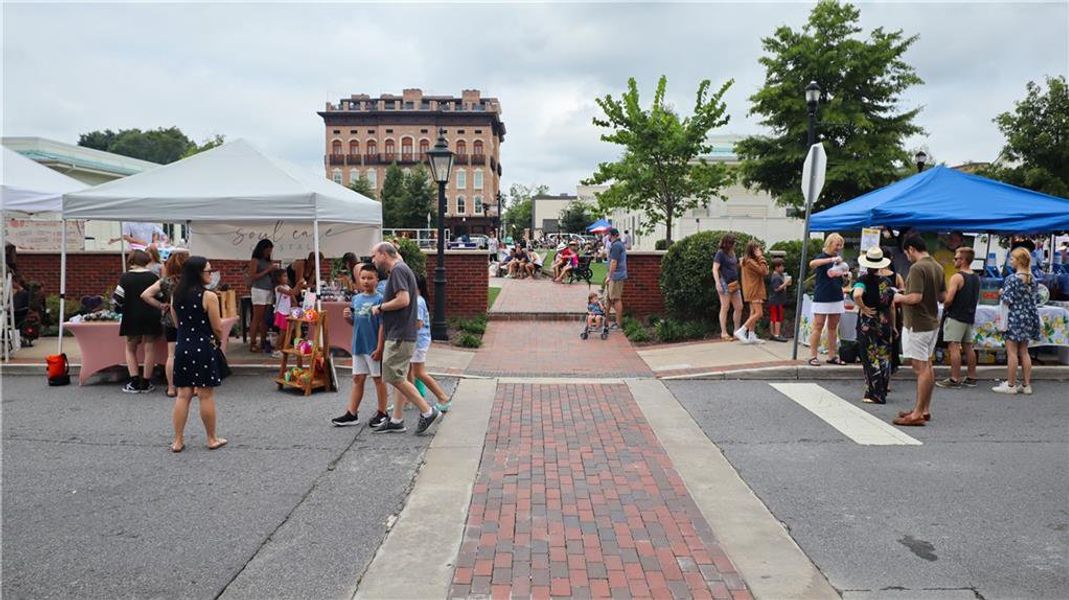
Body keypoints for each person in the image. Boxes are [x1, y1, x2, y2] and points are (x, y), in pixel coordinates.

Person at [368, 242, 441, 435]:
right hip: (402, 333)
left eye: (374, 256)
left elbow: (403, 300)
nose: (373, 260)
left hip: (400, 334)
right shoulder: (402, 269)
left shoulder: (398, 270)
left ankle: (427, 411)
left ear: (384, 254)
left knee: (392, 375)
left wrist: (380, 307)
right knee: (398, 376)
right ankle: (397, 419)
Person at [169, 256, 227, 452]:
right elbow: (217, 327)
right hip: (203, 346)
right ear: (198, 273)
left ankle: (177, 440)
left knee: (183, 394)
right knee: (205, 394)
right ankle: (211, 438)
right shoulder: (208, 296)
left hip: (183, 346)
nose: (211, 274)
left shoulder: (175, 295)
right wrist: (218, 339)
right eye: (208, 271)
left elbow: (177, 323)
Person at [893, 236, 945, 426]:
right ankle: (924, 409)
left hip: (917, 323)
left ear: (911, 249)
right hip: (932, 321)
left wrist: (898, 297)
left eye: (907, 253)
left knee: (920, 368)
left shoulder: (917, 268)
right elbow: (942, 296)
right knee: (928, 366)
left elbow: (914, 297)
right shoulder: (937, 266)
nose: (907, 257)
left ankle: (917, 413)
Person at [333, 264, 390, 427]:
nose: (366, 281)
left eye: (370, 278)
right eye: (363, 278)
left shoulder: (380, 300)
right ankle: (352, 413)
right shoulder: (356, 299)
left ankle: (382, 412)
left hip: (373, 346)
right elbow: (356, 322)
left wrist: (380, 347)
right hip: (358, 345)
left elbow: (382, 326)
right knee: (358, 378)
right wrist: (347, 318)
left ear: (377, 280)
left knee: (378, 379)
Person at [140, 250, 189, 398]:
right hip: (189, 319)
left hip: (170, 319)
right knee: (189, 353)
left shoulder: (165, 281)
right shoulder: (191, 280)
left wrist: (161, 305)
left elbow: (145, 295)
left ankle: (171, 388)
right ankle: (188, 386)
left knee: (172, 355)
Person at [112, 250, 162, 393]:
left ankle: (134, 382)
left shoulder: (125, 277)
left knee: (130, 348)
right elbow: (160, 296)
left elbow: (118, 299)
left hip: (131, 316)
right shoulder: (153, 277)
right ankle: (146, 382)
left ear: (131, 261)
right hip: (151, 315)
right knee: (150, 348)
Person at [993, 248, 1040, 395]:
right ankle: (1026, 385)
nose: (1010, 261)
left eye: (1012, 258)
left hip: (1014, 318)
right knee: (1024, 352)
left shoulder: (1011, 279)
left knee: (1012, 352)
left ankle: (1011, 384)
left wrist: (1002, 292)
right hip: (1028, 318)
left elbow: (1007, 300)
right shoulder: (1033, 279)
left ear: (1019, 261)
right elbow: (1035, 299)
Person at [852, 247, 897, 404]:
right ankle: (882, 389)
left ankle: (875, 393)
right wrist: (894, 325)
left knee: (870, 356)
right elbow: (892, 306)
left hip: (868, 321)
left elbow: (857, 294)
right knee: (884, 356)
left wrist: (863, 307)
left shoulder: (863, 280)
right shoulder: (887, 282)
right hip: (884, 321)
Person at [409, 274, 454, 413]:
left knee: (419, 372)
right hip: (417, 341)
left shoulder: (418, 301)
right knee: (409, 371)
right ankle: (409, 399)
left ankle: (443, 398)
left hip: (418, 342)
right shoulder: (417, 300)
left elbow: (418, 323)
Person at [937, 247, 980, 389]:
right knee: (968, 347)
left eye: (956, 258)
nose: (954, 260)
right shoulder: (976, 277)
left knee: (954, 346)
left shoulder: (957, 277)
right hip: (969, 315)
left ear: (962, 260)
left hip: (956, 315)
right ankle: (972, 376)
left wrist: (944, 302)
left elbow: (949, 299)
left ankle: (955, 378)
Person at [807, 233, 850, 366]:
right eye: (837, 245)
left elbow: (841, 275)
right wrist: (831, 260)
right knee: (818, 325)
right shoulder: (823, 258)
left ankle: (832, 355)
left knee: (833, 327)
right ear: (830, 243)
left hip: (836, 295)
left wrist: (845, 275)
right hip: (822, 296)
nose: (839, 248)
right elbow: (812, 264)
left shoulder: (839, 260)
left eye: (840, 245)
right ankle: (813, 355)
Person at [247, 240, 277, 353]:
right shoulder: (255, 260)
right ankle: (253, 343)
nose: (269, 253)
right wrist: (268, 270)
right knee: (257, 317)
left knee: (266, 318)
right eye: (268, 250)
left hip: (268, 290)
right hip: (259, 289)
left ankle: (263, 342)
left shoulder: (268, 261)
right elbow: (252, 276)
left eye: (270, 251)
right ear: (262, 249)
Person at [712, 235, 744, 341]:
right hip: (725, 283)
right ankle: (724, 332)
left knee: (739, 307)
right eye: (734, 243)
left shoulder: (733, 253)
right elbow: (715, 269)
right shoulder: (720, 253)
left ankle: (736, 331)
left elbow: (733, 267)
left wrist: (740, 264)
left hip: (734, 283)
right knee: (725, 307)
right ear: (728, 243)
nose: (735, 244)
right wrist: (717, 283)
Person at [739, 240, 769, 344]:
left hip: (752, 289)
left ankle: (751, 335)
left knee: (753, 312)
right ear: (753, 250)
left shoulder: (748, 261)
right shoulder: (750, 261)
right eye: (757, 249)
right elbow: (764, 271)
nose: (760, 250)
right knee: (759, 313)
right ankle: (742, 330)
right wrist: (761, 257)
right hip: (754, 289)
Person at [605, 228, 628, 327]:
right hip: (615, 275)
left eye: (608, 235)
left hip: (616, 276)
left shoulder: (616, 246)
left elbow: (614, 262)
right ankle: (605, 321)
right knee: (609, 299)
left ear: (612, 235)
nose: (608, 237)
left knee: (615, 299)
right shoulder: (617, 245)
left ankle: (618, 323)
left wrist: (610, 276)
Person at [272, 271, 298, 358]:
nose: (286, 278)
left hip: (287, 312)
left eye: (286, 276)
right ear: (278, 278)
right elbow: (290, 293)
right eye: (284, 276)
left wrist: (294, 303)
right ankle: (276, 350)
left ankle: (283, 348)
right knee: (282, 332)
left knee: (287, 332)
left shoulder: (287, 287)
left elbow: (294, 294)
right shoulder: (278, 288)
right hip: (281, 312)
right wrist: (299, 285)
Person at [768, 258, 791, 342]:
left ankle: (772, 333)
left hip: (774, 300)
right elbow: (776, 289)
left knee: (773, 317)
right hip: (776, 300)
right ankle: (777, 334)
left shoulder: (775, 276)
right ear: (776, 267)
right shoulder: (776, 277)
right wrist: (785, 283)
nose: (783, 268)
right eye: (781, 266)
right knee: (777, 318)